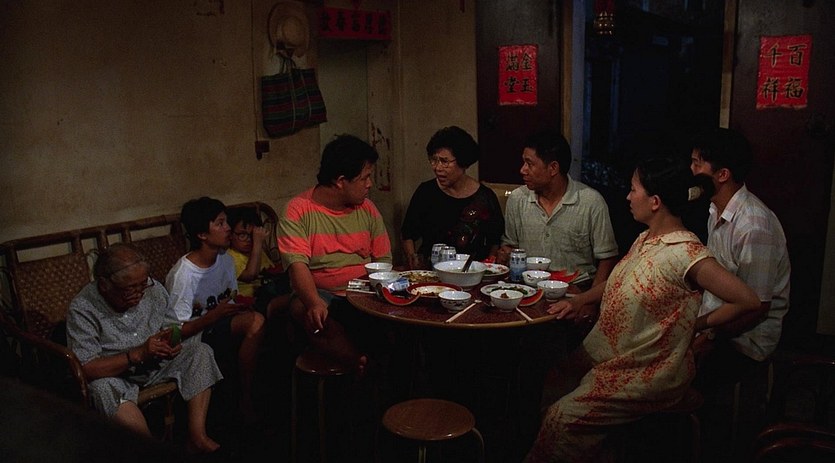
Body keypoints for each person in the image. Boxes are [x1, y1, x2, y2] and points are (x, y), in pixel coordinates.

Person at [525, 158, 760, 462]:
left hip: (651, 370)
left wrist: (695, 324)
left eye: (633, 189)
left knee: (562, 417)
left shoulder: (686, 253)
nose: (627, 196)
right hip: (616, 355)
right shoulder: (644, 239)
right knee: (555, 380)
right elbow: (618, 281)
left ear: (655, 202)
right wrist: (580, 300)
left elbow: (748, 300)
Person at [690, 128, 791, 458]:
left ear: (722, 174)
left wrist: (709, 336)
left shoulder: (753, 225)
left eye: (698, 164)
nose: (692, 170)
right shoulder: (715, 210)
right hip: (720, 321)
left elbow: (757, 307)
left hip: (746, 337)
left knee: (683, 380)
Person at [66, 243, 223, 454]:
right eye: (131, 288)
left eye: (143, 284)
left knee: (200, 352)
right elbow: (86, 367)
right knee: (102, 389)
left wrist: (171, 343)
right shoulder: (83, 308)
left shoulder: (152, 288)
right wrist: (137, 354)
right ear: (104, 285)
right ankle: (150, 451)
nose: (140, 292)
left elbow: (171, 327)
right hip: (117, 375)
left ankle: (197, 437)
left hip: (155, 363)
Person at [277, 134, 392, 373]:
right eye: (365, 178)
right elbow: (297, 266)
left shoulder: (368, 209)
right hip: (322, 293)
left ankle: (375, 369)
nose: (370, 184)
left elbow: (383, 260)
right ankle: (361, 364)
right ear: (340, 181)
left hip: (363, 293)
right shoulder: (298, 210)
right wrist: (313, 302)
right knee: (311, 312)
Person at [165, 197, 265, 423]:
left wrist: (237, 307)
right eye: (220, 223)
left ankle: (246, 394)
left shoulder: (224, 260)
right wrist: (214, 315)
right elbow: (174, 331)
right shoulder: (184, 275)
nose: (228, 228)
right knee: (256, 322)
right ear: (202, 234)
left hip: (220, 324)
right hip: (195, 336)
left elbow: (230, 298)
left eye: (226, 222)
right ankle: (245, 397)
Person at [499, 130, 618, 291]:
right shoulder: (517, 198)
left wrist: (590, 299)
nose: (523, 170)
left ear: (553, 168)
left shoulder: (591, 202)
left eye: (530, 164)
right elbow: (510, 246)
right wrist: (504, 254)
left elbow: (607, 257)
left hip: (576, 289)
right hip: (528, 288)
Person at [401, 126, 504, 267]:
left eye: (445, 161)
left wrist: (489, 265)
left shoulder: (485, 197)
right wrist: (414, 261)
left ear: (463, 163)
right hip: (430, 273)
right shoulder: (426, 192)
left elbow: (495, 240)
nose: (437, 167)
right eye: (434, 160)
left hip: (472, 272)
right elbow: (408, 234)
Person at [227, 206, 291, 319]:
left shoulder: (257, 251)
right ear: (231, 235)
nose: (249, 240)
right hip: (249, 301)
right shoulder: (229, 256)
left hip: (269, 293)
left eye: (252, 235)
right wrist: (257, 243)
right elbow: (250, 275)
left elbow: (270, 271)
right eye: (242, 235)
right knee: (293, 298)